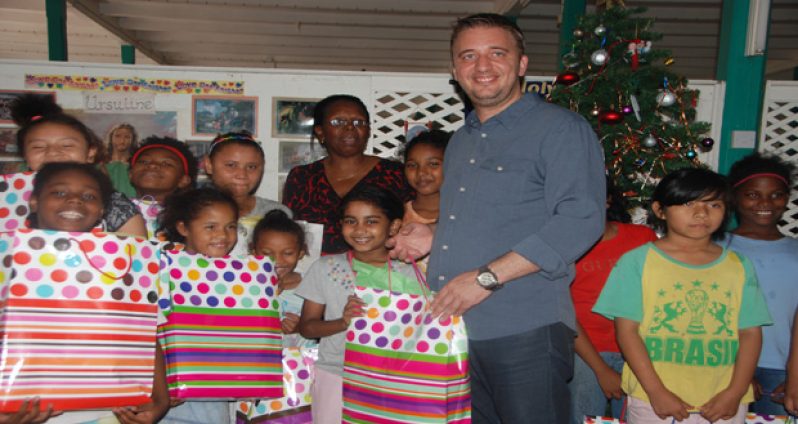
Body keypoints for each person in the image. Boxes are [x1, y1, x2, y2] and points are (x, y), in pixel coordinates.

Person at [388, 14, 605, 423]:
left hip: (525, 328)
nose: (482, 66)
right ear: (455, 71)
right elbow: (492, 216)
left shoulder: (560, 129)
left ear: (522, 64)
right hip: (456, 332)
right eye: (468, 56)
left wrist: (486, 277)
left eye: (496, 53)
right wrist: (434, 233)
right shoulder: (461, 140)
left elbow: (581, 218)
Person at [593, 168, 772, 424]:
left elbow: (751, 333)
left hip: (723, 400)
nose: (701, 213)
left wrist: (735, 392)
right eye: (688, 203)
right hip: (654, 399)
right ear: (659, 210)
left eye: (714, 204)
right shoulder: (637, 262)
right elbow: (627, 332)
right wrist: (656, 391)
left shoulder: (739, 265)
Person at [11, 161, 170, 424]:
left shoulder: (123, 263)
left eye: (89, 196)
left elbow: (144, 332)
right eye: (59, 192)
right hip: (26, 413)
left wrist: (160, 399)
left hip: (108, 414)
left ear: (102, 211)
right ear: (35, 201)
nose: (74, 200)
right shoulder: (10, 258)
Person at [296, 186, 425, 424]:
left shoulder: (410, 274)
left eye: (372, 221)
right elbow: (307, 327)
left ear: (394, 226)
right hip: (336, 373)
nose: (360, 230)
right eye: (351, 221)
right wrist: (342, 322)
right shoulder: (325, 268)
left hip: (393, 379)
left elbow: (422, 333)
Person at [569, 177, 658, 424]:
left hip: (641, 348)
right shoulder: (565, 248)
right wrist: (600, 369)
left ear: (608, 199)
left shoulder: (642, 237)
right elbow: (563, 312)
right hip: (586, 351)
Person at [282, 94, 412, 254]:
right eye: (338, 122)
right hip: (316, 274)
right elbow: (289, 234)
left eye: (358, 122)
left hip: (382, 274)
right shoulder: (302, 178)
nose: (350, 127)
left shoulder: (395, 174)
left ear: (368, 131)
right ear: (320, 131)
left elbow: (411, 225)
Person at [10, 93, 147, 238]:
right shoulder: (7, 196)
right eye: (38, 147)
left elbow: (137, 254)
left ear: (90, 153)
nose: (53, 152)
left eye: (67, 145)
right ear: (25, 155)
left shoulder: (115, 204)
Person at [157, 187, 239, 424]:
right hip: (168, 395)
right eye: (210, 227)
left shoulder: (242, 275)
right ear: (183, 228)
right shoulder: (162, 268)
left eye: (230, 226)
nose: (223, 235)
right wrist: (160, 387)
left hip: (214, 398)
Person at [726, 154, 798, 415]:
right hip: (722, 363)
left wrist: (795, 375)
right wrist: (735, 368)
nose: (765, 203)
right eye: (753, 195)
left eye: (776, 195)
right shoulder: (716, 248)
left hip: (782, 370)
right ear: (734, 197)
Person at [205, 131, 291, 256]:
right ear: (209, 165)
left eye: (251, 167)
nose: (242, 175)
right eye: (231, 165)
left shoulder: (277, 213)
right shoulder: (192, 211)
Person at [251, 209, 314, 348]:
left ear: (300, 253)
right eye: (267, 253)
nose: (277, 260)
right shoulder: (247, 286)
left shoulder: (311, 286)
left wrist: (301, 327)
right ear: (254, 252)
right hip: (260, 362)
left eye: (288, 253)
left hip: (302, 363)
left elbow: (322, 324)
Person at [128, 136, 197, 239]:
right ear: (131, 174)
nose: (152, 165)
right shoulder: (113, 208)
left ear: (183, 180)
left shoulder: (189, 216)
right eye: (144, 161)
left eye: (167, 164)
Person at [402, 128, 450, 226]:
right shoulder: (398, 215)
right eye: (412, 165)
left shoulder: (463, 212)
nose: (421, 172)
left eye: (433, 164)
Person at [104, 123, 138, 198]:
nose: (122, 140)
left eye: (127, 137)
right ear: (111, 138)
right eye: (117, 136)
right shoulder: (100, 165)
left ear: (132, 140)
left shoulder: (137, 166)